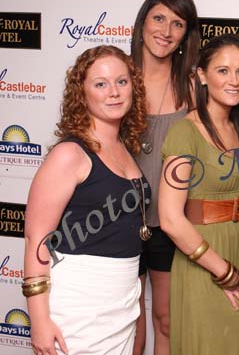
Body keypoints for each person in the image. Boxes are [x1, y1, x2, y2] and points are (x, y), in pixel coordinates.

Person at [24, 45, 149, 355]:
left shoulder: (125, 149)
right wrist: (39, 320)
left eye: (122, 81)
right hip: (80, 301)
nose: (114, 92)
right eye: (100, 84)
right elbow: (35, 240)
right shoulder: (70, 154)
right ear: (82, 93)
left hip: (122, 300)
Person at [158, 34, 239, 355]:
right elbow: (169, 218)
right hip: (204, 259)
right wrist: (223, 270)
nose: (233, 81)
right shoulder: (185, 133)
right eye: (222, 71)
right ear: (202, 75)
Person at [130, 0, 200, 355]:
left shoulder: (191, 84)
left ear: (186, 34)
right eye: (159, 18)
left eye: (178, 24)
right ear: (143, 21)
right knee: (127, 324)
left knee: (167, 319)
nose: (166, 31)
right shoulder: (118, 77)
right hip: (118, 220)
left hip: (171, 223)